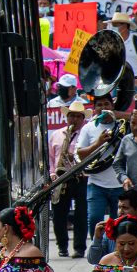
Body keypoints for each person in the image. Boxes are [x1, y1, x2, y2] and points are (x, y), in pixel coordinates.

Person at [76, 94, 125, 234]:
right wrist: (98, 143)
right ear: (94, 108)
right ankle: (98, 248)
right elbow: (80, 153)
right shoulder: (88, 128)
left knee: (120, 223)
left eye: (106, 104)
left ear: (112, 106)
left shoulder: (122, 124)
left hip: (119, 184)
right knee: (94, 219)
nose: (103, 108)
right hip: (96, 183)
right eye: (99, 105)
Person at [49, 100, 90, 258]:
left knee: (81, 212)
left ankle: (79, 248)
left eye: (78, 116)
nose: (74, 119)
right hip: (61, 176)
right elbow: (51, 158)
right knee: (59, 213)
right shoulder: (57, 135)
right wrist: (53, 173)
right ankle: (62, 246)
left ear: (82, 119)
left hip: (81, 176)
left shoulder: (85, 134)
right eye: (71, 116)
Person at [88, 188, 137, 263]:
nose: (120, 212)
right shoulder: (110, 230)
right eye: (119, 207)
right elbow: (94, 261)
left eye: (125, 208)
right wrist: (97, 239)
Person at [110, 12, 137, 78]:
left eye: (117, 24)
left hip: (134, 80)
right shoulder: (109, 41)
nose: (115, 27)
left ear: (126, 25)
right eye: (114, 25)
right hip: (114, 80)